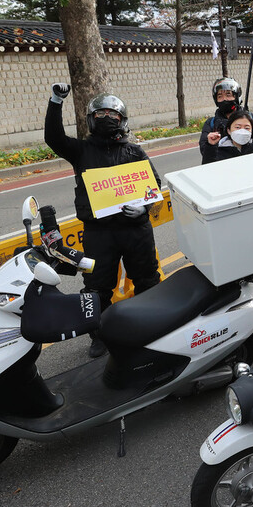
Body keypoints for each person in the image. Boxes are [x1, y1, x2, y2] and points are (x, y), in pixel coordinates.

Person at [45, 84, 162, 357]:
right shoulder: (80, 151)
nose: (107, 118)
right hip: (99, 232)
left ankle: (153, 326)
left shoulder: (135, 153)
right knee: (97, 287)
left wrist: (144, 209)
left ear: (123, 120)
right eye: (100, 114)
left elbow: (153, 186)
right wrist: (55, 102)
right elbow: (54, 138)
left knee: (147, 280)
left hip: (136, 230)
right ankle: (100, 334)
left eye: (113, 114)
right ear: (90, 119)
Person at [201, 109, 253, 327]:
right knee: (240, 270)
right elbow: (207, 174)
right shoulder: (218, 152)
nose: (242, 131)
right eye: (237, 127)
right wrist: (210, 148)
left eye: (247, 128)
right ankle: (241, 312)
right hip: (232, 221)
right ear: (228, 129)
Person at [198, 78, 253, 154]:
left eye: (228, 95)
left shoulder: (252, 117)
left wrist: (251, 126)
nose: (224, 99)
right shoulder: (211, 123)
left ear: (236, 97)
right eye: (220, 96)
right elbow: (204, 151)